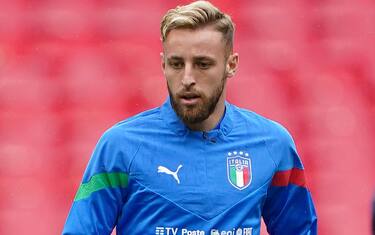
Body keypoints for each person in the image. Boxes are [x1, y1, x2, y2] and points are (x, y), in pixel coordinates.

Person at [62, 1, 317, 234]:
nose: (187, 79)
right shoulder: (120, 146)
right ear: (163, 64)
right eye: (176, 64)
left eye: (202, 64)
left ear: (231, 65)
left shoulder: (272, 144)